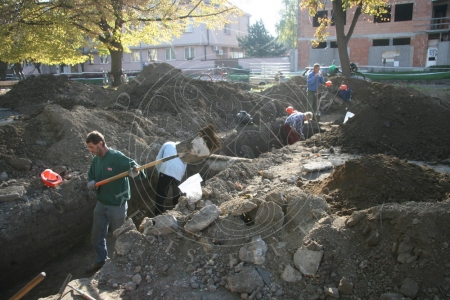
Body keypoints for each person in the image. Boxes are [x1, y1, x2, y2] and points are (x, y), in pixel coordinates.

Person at [85, 131, 146, 272]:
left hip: (117, 206)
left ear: (100, 144)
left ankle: (121, 264)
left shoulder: (116, 157)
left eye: (91, 147)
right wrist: (91, 183)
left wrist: (135, 172)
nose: (90, 150)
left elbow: (139, 171)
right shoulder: (96, 160)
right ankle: (101, 261)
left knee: (120, 236)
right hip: (101, 204)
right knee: (97, 236)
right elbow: (91, 176)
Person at [154, 142, 187, 216]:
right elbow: (185, 164)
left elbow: (158, 159)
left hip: (166, 171)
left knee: (160, 197)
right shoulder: (183, 149)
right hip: (179, 173)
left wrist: (159, 172)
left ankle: (158, 217)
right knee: (176, 196)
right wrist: (179, 177)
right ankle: (177, 216)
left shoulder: (167, 144)